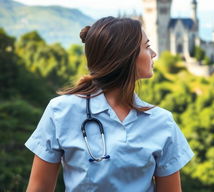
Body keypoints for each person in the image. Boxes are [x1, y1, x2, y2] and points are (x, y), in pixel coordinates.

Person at [25, 16, 194, 192]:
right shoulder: (60, 111)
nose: (154, 54)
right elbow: (39, 188)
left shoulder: (162, 121)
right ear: (125, 57)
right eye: (147, 46)